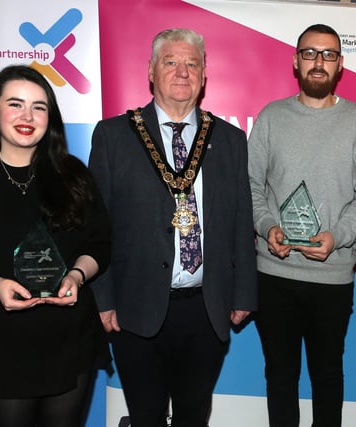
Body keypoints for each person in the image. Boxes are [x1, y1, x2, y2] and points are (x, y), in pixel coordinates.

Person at [88, 28, 257, 426]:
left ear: (204, 75)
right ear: (151, 71)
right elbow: (97, 225)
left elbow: (240, 221)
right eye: (171, 62)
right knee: (146, 416)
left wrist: (245, 292)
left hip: (206, 307)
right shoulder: (114, 135)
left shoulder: (230, 140)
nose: (182, 72)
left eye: (192, 64)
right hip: (136, 306)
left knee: (193, 415)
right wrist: (102, 298)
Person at [248, 23, 356, 427]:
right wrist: (268, 226)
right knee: (280, 377)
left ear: (340, 64)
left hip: (333, 276)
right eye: (310, 53)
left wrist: (338, 236)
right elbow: (250, 186)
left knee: (327, 376)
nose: (318, 62)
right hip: (274, 275)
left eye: (327, 54)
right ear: (295, 60)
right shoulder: (271, 117)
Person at [0, 65, 110, 426]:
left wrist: (76, 275)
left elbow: (99, 244)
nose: (27, 116)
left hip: (68, 342)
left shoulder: (73, 174)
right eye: (15, 104)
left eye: (39, 107)